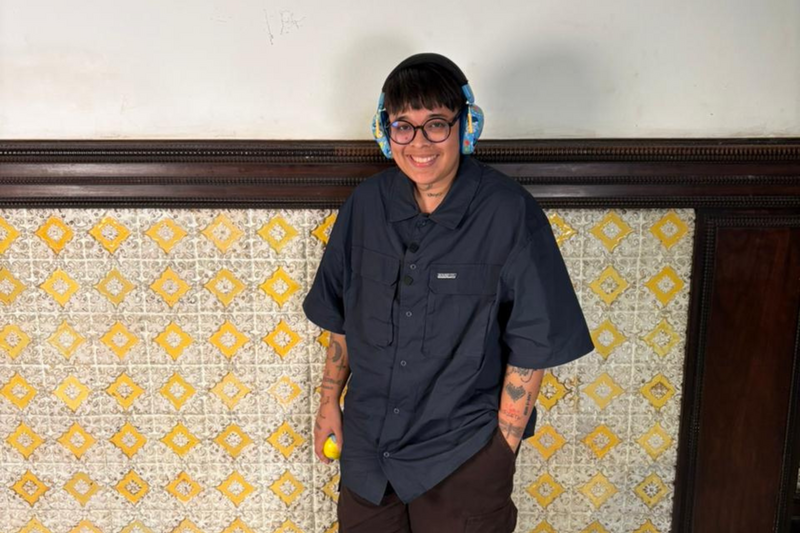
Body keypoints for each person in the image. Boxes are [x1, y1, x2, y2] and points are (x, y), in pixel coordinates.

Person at [302, 52, 594, 533]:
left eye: (436, 124)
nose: (419, 143)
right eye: (403, 126)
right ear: (385, 132)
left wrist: (501, 451)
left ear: (466, 127)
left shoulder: (508, 213)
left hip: (462, 461)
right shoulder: (365, 206)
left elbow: (532, 344)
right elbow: (343, 320)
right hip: (368, 458)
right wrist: (329, 402)